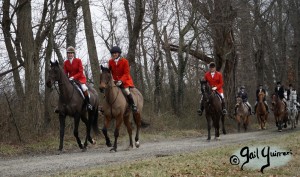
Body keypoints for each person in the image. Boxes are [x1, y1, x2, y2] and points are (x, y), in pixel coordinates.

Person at [108, 46, 137, 113]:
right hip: (115, 81)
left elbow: (126, 73)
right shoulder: (110, 62)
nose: (114, 54)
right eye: (113, 53)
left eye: (115, 53)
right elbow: (110, 72)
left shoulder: (125, 61)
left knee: (126, 91)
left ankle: (133, 105)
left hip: (125, 81)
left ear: (119, 54)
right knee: (108, 91)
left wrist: (121, 80)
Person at [63, 46, 92, 110]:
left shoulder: (78, 61)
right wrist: (66, 79)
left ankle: (88, 104)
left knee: (84, 88)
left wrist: (73, 77)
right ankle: (62, 105)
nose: (70, 54)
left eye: (71, 53)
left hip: (80, 79)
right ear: (67, 54)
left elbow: (80, 72)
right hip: (70, 80)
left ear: (73, 54)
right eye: (68, 53)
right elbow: (65, 73)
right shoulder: (65, 63)